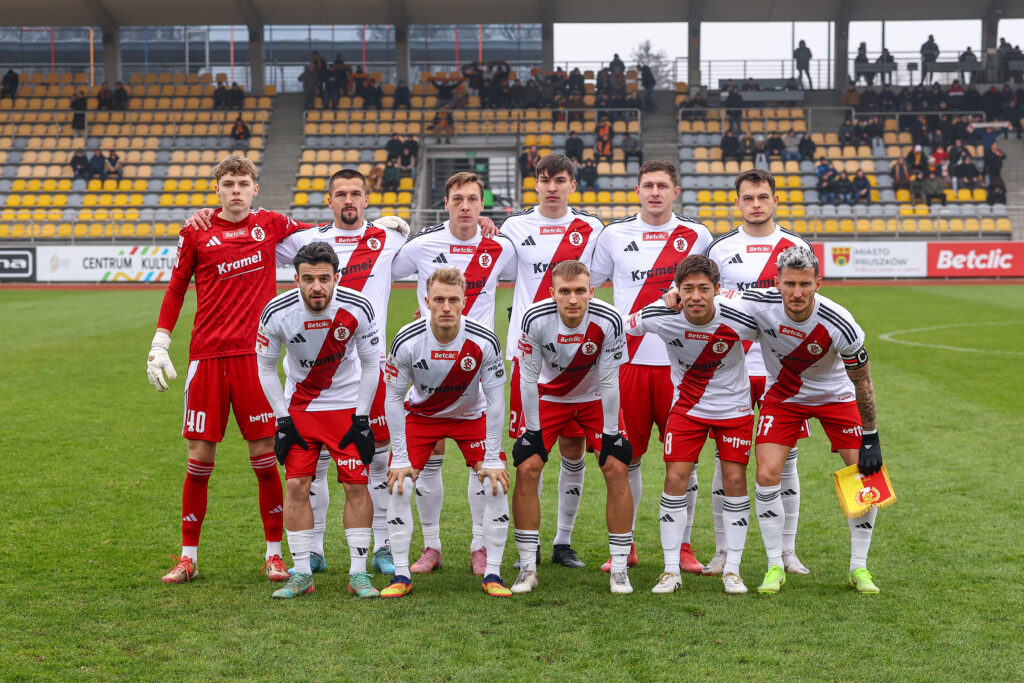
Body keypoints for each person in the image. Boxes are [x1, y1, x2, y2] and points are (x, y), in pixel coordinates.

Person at [147, 155, 309, 584]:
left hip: (256, 360)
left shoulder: (271, 224)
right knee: (199, 459)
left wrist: (377, 227)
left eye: (243, 183)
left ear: (255, 189)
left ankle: (274, 555)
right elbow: (176, 288)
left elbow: (321, 237)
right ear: (217, 189)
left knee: (264, 459)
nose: (236, 190)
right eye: (229, 184)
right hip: (207, 358)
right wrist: (161, 342)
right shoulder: (196, 231)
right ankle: (188, 557)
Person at [663, 169, 813, 577]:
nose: (756, 204)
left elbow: (805, 306)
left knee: (786, 460)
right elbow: (697, 292)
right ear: (737, 202)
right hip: (730, 366)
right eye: (748, 198)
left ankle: (787, 550)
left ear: (775, 200)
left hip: (780, 367)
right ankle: (723, 552)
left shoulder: (795, 246)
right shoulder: (721, 247)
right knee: (725, 461)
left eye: (763, 197)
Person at [390, 172, 517, 576]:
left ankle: (480, 546)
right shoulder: (423, 244)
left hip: (476, 370)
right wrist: (387, 229)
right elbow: (381, 269)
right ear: (445, 203)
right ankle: (432, 547)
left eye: (473, 199)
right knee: (428, 464)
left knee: (485, 470)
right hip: (427, 366)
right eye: (457, 199)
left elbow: (537, 272)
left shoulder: (500, 245)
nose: (465, 206)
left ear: (482, 205)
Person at [590, 161, 713, 575]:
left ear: (675, 191)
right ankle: (625, 544)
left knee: (684, 461)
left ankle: (683, 546)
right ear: (637, 191)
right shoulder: (613, 235)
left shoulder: (697, 235)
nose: (655, 192)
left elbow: (712, 292)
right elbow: (590, 287)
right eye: (648, 185)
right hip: (628, 363)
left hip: (681, 365)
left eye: (662, 185)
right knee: (627, 458)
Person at [739, 246, 885, 594]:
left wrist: (871, 437)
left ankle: (859, 567)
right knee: (766, 473)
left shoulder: (841, 323)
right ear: (777, 282)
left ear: (818, 283)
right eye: (789, 284)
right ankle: (775, 565)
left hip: (835, 396)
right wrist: (674, 295)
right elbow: (711, 301)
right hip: (784, 396)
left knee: (867, 475)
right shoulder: (757, 304)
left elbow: (862, 383)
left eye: (805, 284)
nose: (797, 292)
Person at [255, 242, 381, 599]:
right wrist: (282, 420)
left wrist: (362, 418)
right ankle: (301, 574)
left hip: (346, 408)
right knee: (296, 485)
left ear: (336, 278)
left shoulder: (358, 306)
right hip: (300, 408)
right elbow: (266, 368)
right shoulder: (276, 312)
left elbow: (372, 364)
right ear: (296, 279)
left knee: (356, 485)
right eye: (308, 279)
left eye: (324, 279)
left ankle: (358, 574)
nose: (316, 287)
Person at [628, 255, 759, 595]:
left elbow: (776, 329)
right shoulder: (661, 316)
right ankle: (671, 570)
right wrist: (660, 302)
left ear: (718, 289)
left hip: (734, 408)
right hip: (687, 408)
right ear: (677, 290)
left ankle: (733, 569)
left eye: (704, 288)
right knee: (675, 479)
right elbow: (624, 326)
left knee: (734, 480)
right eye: (688, 289)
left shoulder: (740, 316)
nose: (696, 296)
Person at [501, 154, 607, 569]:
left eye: (559, 180)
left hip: (577, 356)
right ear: (536, 184)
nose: (551, 187)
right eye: (544, 179)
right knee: (528, 453)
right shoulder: (514, 227)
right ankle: (528, 546)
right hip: (529, 354)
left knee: (573, 450)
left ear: (572, 185)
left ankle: (563, 541)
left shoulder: (592, 228)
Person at [380, 267, 512, 599]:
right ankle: (402, 574)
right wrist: (399, 457)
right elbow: (393, 398)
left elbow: (496, 400)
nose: (446, 307)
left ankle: (492, 571)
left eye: (453, 300)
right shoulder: (407, 339)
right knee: (399, 484)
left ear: (464, 301)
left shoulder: (483, 339)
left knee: (495, 483)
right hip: (423, 416)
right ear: (426, 301)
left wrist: (492, 457)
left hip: (470, 416)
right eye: (438, 299)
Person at [511, 260, 634, 594]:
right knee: (527, 466)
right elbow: (528, 377)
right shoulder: (535, 318)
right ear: (552, 293)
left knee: (616, 465)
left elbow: (610, 380)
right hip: (549, 397)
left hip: (594, 397)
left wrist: (611, 434)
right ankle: (527, 567)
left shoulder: (609, 319)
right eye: (565, 291)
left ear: (591, 291)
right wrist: (532, 431)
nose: (573, 299)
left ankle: (619, 569)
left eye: (580, 291)